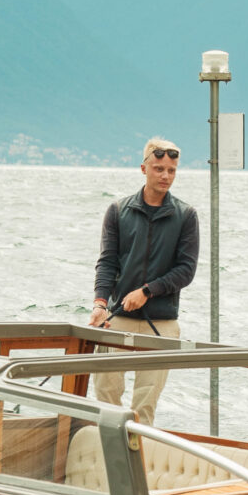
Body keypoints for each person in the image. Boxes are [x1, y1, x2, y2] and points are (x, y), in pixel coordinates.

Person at [90, 137, 198, 422]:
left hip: (161, 321)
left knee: (144, 409)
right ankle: (107, 459)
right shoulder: (117, 210)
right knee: (106, 397)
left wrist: (148, 291)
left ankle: (138, 461)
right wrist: (100, 304)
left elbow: (186, 270)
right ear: (143, 168)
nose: (165, 176)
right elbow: (107, 262)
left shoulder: (186, 215)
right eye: (159, 168)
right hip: (118, 316)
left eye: (171, 170)